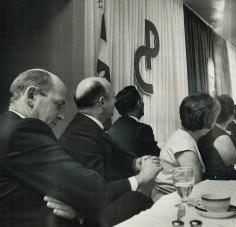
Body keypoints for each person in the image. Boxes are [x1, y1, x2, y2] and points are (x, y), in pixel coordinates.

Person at [0, 69, 161, 227]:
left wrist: (73, 203)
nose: (62, 116)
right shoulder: (23, 130)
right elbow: (89, 187)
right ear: (31, 96)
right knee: (140, 202)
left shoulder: (8, 127)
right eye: (58, 104)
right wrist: (141, 178)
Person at [60, 77, 159, 182]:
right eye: (112, 96)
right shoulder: (79, 136)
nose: (116, 101)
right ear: (102, 102)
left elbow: (114, 159)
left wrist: (134, 163)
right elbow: (100, 187)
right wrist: (140, 179)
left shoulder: (90, 128)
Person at [152, 93, 220, 202]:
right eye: (214, 117)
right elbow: (197, 187)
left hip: (174, 198)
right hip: (170, 201)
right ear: (207, 120)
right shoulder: (184, 144)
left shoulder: (184, 137)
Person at [198, 95, 236, 180]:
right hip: (221, 183)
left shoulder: (209, 131)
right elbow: (235, 168)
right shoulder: (222, 138)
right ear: (232, 116)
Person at [108, 86, 160, 157]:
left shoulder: (112, 128)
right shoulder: (143, 129)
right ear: (138, 103)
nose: (143, 103)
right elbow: (156, 157)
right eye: (142, 100)